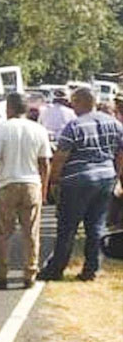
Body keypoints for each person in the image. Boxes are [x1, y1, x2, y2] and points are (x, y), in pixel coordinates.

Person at [39, 88, 123, 281]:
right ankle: (91, 269)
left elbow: (60, 157)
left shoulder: (74, 126)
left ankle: (56, 269)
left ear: (79, 102)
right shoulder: (114, 124)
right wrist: (116, 176)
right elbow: (120, 152)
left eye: (73, 103)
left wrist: (54, 181)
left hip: (77, 180)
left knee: (68, 227)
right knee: (96, 226)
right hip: (105, 178)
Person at [0, 93, 51, 289]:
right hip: (31, 184)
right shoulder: (39, 130)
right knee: (31, 232)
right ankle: (30, 273)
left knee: (4, 233)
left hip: (7, 184)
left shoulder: (2, 129)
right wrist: (44, 190)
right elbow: (44, 163)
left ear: (9, 108)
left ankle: (1, 274)